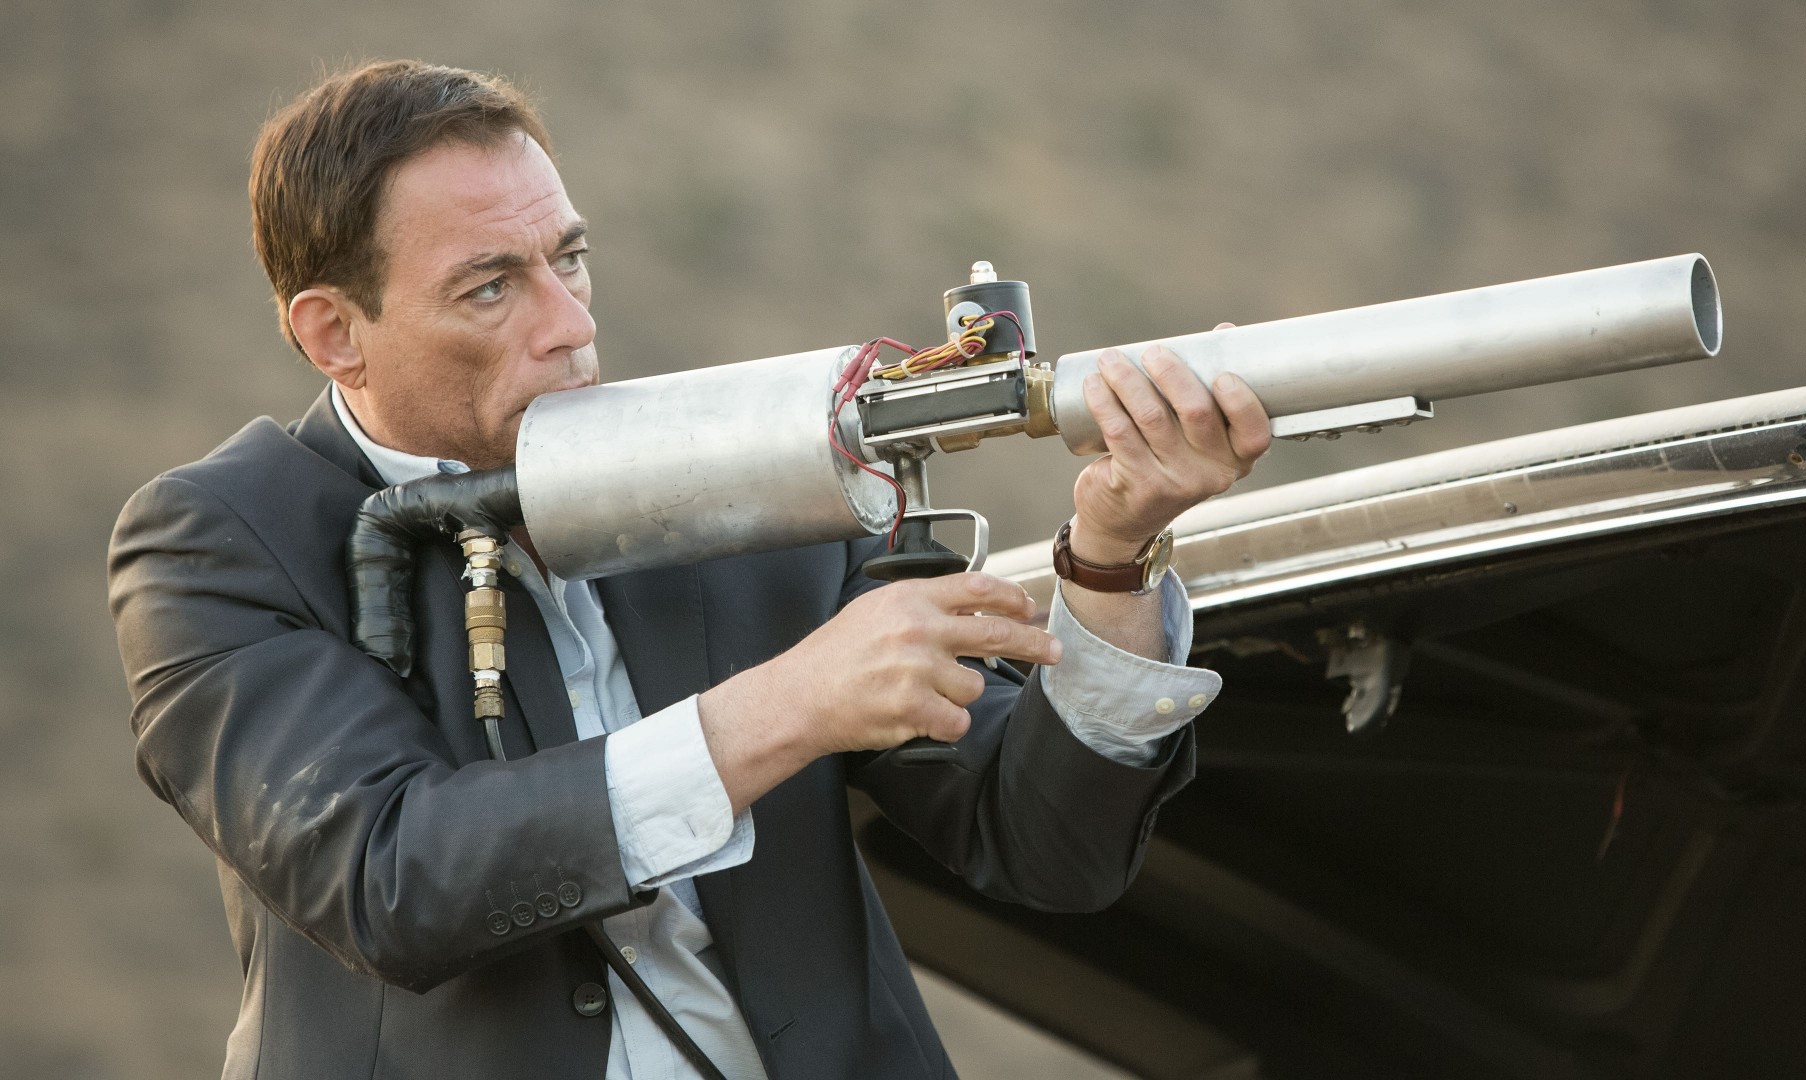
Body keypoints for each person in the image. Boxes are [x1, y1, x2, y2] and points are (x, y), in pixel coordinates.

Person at [108, 60, 1272, 1080]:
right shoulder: (213, 542)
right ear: (333, 334)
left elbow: (1047, 850)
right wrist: (787, 706)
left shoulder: (744, 470)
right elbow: (389, 883)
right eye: (491, 286)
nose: (570, 325)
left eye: (570, 260)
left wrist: (1112, 559)